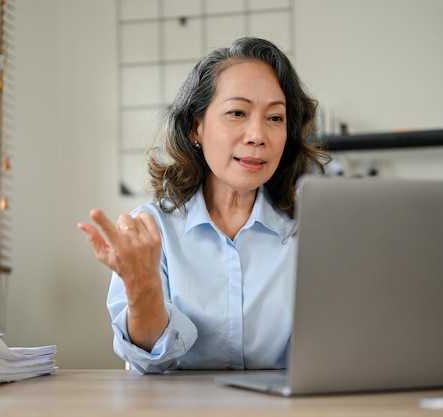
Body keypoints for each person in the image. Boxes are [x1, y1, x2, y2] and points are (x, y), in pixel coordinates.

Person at [78, 37, 329, 373]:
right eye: (237, 113)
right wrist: (143, 289)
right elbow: (150, 361)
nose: (257, 135)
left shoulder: (312, 232)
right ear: (197, 127)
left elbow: (327, 355)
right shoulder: (153, 230)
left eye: (275, 118)